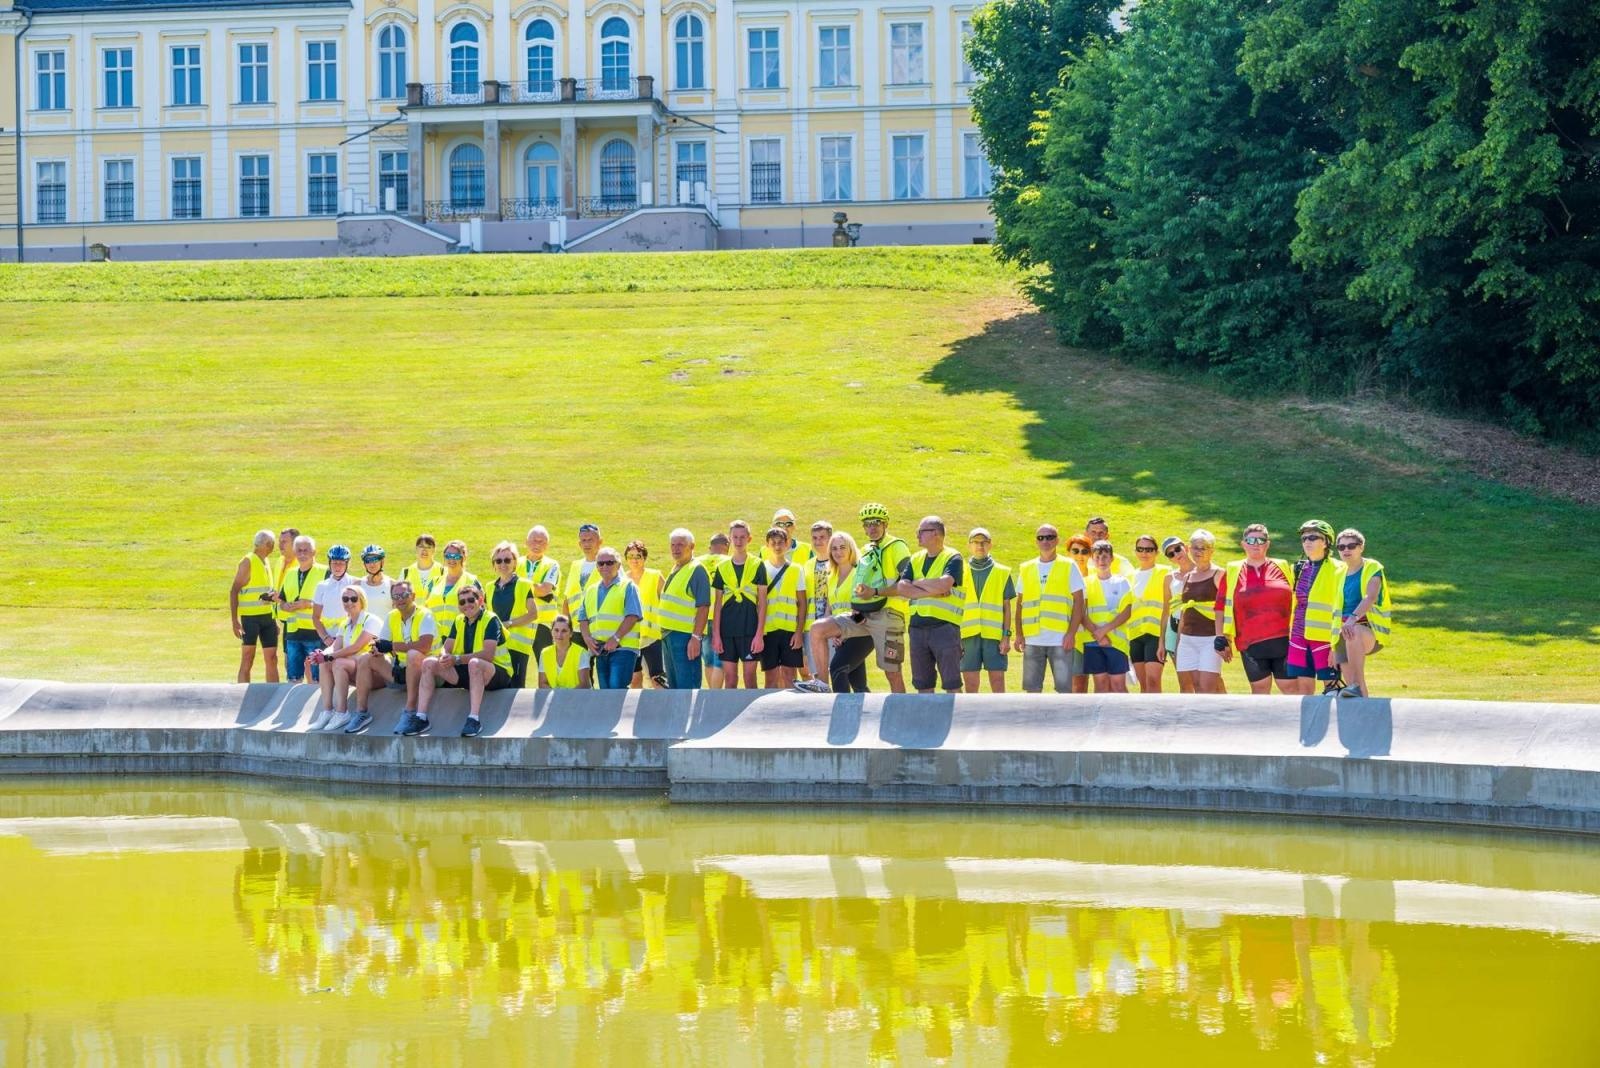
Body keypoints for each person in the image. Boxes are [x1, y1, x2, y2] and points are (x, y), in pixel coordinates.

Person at [794, 503, 910, 694]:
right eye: (867, 524)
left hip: (888, 616)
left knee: (892, 673)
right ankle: (822, 683)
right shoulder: (865, 551)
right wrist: (845, 627)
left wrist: (875, 592)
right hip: (862, 617)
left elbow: (907, 584)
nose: (872, 528)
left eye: (876, 523)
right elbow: (856, 594)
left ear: (886, 523)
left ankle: (902, 715)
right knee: (818, 628)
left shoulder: (897, 546)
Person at [401, 584, 514, 738]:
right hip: (469, 669)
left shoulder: (491, 619)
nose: (466, 605)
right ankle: (421, 717)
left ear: (480, 600)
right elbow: (446, 647)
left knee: (474, 663)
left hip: (496, 672)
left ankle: (474, 719)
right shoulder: (459, 620)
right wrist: (444, 655)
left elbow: (488, 655)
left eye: (470, 600)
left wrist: (457, 659)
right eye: (462, 602)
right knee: (428, 663)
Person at [1216, 524, 1294, 695]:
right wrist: (1220, 637)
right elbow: (1220, 606)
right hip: (1249, 642)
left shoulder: (1283, 566)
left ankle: (1293, 723)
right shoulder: (1233, 570)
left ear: (1267, 544)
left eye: (1261, 540)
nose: (1256, 544)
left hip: (1283, 640)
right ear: (1243, 543)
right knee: (1260, 691)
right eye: (1251, 540)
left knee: (1290, 689)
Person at [351, 579, 436, 733]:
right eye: (395, 597)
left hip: (427, 673)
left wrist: (391, 646)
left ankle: (410, 711)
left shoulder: (425, 614)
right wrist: (377, 648)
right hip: (401, 670)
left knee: (413, 654)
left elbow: (425, 646)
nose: (400, 599)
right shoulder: (392, 616)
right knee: (365, 658)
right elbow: (384, 643)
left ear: (413, 596)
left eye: (404, 595)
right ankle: (361, 712)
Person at [1013, 523, 1086, 695]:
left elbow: (1079, 602)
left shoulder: (1069, 566)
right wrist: (1019, 634)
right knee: (1032, 690)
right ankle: (1034, 722)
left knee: (1064, 690)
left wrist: (1071, 633)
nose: (1045, 541)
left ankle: (1065, 721)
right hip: (1032, 639)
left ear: (1057, 540)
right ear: (1036, 542)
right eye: (1041, 537)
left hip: (1060, 640)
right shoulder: (1026, 567)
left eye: (1050, 537)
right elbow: (1020, 604)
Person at [896, 516, 965, 694]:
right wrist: (932, 589)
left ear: (935, 533)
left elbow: (945, 584)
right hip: (917, 629)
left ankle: (956, 720)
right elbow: (901, 587)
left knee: (952, 683)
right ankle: (927, 721)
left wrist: (917, 583)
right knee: (922, 683)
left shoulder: (953, 557)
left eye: (921, 532)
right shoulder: (916, 558)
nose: (917, 535)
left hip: (944, 629)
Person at [1286, 519, 1348, 695]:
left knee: (1332, 689)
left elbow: (1342, 609)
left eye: (1313, 537)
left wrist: (1336, 647)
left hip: (1325, 639)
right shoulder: (1298, 568)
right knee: (1304, 691)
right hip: (1299, 637)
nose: (1307, 542)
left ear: (1326, 542)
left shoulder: (1340, 569)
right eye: (1304, 538)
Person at [307, 585, 381, 732]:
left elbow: (356, 648)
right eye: (345, 599)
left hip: (373, 673)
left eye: (353, 598)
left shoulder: (371, 620)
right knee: (325, 664)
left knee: (338, 663)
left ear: (362, 601)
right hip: (354, 669)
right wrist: (321, 654)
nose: (349, 602)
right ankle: (327, 710)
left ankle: (342, 712)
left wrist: (328, 656)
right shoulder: (345, 623)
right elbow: (335, 647)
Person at [1333, 528, 1391, 698]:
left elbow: (1370, 597)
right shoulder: (1339, 573)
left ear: (1361, 547)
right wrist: (1332, 644)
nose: (1346, 550)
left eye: (1351, 546)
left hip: (1366, 629)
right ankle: (1362, 718)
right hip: (1341, 633)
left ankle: (1357, 685)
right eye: (1341, 547)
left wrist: (1352, 619)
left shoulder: (1372, 567)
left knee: (1354, 632)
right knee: (1351, 689)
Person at [711, 521, 768, 689]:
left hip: (750, 629)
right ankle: (729, 713)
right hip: (727, 631)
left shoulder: (757, 564)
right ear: (730, 539)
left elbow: (763, 602)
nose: (738, 541)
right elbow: (718, 604)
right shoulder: (722, 567)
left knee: (750, 677)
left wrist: (759, 635)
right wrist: (716, 635)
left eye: (742, 537)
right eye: (735, 537)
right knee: (730, 678)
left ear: (749, 539)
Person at [578, 548, 644, 689]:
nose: (605, 566)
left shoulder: (628, 586)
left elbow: (632, 616)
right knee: (605, 691)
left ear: (618, 565)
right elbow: (582, 618)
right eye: (600, 563)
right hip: (601, 649)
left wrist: (616, 638)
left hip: (623, 649)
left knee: (616, 688)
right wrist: (587, 639)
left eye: (609, 563)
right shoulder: (591, 590)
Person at [815, 532, 874, 692]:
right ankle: (868, 715)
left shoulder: (860, 573)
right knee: (858, 684)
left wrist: (841, 631)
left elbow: (861, 610)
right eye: (834, 548)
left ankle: (839, 713)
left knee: (837, 669)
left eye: (842, 547)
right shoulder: (830, 576)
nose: (838, 552)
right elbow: (829, 606)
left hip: (861, 632)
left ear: (851, 549)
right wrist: (832, 632)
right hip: (840, 633)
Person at [959, 528, 1014, 693]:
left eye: (983, 542)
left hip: (994, 637)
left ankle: (999, 716)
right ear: (969, 546)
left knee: (997, 683)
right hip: (967, 636)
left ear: (990, 545)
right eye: (975, 542)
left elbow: (1007, 608)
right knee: (971, 684)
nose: (979, 546)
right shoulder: (959, 571)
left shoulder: (1002, 572)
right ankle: (971, 717)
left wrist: (1006, 637)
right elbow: (954, 606)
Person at [658, 529, 711, 689]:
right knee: (674, 687)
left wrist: (696, 637)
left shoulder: (697, 570)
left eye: (680, 544)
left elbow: (703, 607)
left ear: (692, 546)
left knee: (687, 687)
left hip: (685, 638)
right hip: (668, 637)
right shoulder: (676, 568)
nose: (676, 549)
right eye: (673, 545)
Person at [1079, 540, 1134, 693]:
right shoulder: (1086, 583)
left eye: (1105, 557)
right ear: (1092, 560)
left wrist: (1104, 631)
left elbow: (1127, 611)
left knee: (1118, 685)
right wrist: (1098, 635)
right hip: (1092, 641)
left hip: (1116, 642)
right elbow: (1081, 612)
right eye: (1097, 557)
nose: (1101, 561)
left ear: (1111, 559)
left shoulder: (1122, 582)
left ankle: (1125, 716)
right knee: (1100, 685)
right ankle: (1101, 717)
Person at [1175, 530, 1226, 694]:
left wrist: (1224, 638)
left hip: (1210, 638)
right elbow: (1184, 610)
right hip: (1188, 638)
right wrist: (1178, 640)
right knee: (1195, 685)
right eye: (1195, 548)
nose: (1198, 552)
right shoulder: (1187, 576)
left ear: (1211, 551)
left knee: (1208, 686)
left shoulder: (1219, 574)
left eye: (1203, 548)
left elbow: (1224, 609)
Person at [759, 526, 808, 688]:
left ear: (787, 544)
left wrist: (799, 632)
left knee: (789, 676)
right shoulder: (761, 568)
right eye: (773, 543)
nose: (777, 546)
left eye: (781, 542)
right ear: (767, 545)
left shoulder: (796, 569)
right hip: (768, 630)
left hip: (790, 630)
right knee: (771, 677)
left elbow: (802, 603)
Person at [229, 530, 281, 683]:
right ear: (267, 545)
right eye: (272, 544)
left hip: (268, 617)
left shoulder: (266, 561)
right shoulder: (248, 561)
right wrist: (234, 621)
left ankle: (273, 694)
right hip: (250, 619)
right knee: (247, 658)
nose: (273, 547)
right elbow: (234, 590)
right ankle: (242, 692)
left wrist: (275, 618)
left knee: (272, 658)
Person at [487, 540, 539, 688]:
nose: (503, 564)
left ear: (515, 562)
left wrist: (509, 624)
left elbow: (533, 614)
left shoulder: (524, 584)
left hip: (517, 646)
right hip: (497, 647)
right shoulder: (489, 587)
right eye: (498, 560)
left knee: (516, 689)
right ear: (494, 564)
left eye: (507, 560)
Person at [276, 535, 326, 684]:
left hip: (316, 632)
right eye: (299, 550)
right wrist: (285, 606)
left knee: (319, 679)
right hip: (293, 633)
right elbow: (282, 600)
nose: (303, 554)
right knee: (293, 679)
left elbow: (332, 601)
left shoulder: (325, 572)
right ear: (295, 552)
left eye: (306, 550)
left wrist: (309, 604)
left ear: (314, 552)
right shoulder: (291, 573)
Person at [1125, 534, 1171, 693]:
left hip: (1156, 633)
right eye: (1140, 549)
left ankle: (1157, 716)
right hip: (1135, 635)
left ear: (1156, 552)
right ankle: (1144, 717)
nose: (1144, 553)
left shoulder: (1166, 572)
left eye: (1149, 549)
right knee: (1143, 684)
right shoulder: (1130, 576)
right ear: (1136, 551)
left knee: (1153, 681)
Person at [623, 540, 668, 689]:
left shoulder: (655, 576)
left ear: (644, 558)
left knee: (658, 678)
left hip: (653, 636)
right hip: (631, 638)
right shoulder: (622, 579)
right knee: (634, 679)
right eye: (630, 556)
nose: (634, 560)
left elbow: (667, 602)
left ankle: (662, 708)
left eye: (638, 556)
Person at [423, 539, 479, 637]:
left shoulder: (471, 581)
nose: (451, 560)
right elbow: (425, 608)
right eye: (448, 556)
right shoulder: (435, 581)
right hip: (435, 637)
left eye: (456, 556)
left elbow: (480, 610)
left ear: (463, 558)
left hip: (461, 636)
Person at [521, 525, 562, 656]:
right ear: (526, 542)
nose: (537, 544)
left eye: (541, 541)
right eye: (534, 540)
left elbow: (544, 590)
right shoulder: (516, 562)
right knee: (517, 665)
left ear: (547, 545)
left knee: (545, 665)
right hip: (521, 621)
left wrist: (519, 587)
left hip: (544, 623)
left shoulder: (552, 565)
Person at [698, 532, 731, 688]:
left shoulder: (698, 562)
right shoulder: (730, 561)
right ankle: (715, 695)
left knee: (708, 660)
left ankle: (711, 692)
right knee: (720, 661)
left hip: (701, 617)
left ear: (710, 547)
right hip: (723, 617)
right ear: (727, 546)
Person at [1161, 537, 1195, 691]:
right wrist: (1161, 641)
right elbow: (1166, 611)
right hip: (1174, 630)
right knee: (1184, 681)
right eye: (1171, 554)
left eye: (1177, 549)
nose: (1176, 554)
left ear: (1186, 547)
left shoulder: (1202, 570)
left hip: (1199, 628)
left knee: (1209, 679)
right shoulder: (1169, 578)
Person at [803, 520, 835, 680]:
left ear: (830, 538)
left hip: (835, 624)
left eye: (822, 537)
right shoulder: (807, 565)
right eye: (814, 538)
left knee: (836, 670)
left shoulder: (838, 561)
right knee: (816, 673)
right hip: (812, 626)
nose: (818, 541)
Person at [1063, 535, 1096, 693]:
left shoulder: (1097, 575)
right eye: (1075, 551)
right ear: (1068, 553)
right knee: (1075, 682)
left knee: (1096, 681)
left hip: (1093, 635)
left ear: (1090, 554)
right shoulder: (1062, 574)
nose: (1080, 555)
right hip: (1070, 635)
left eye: (1084, 551)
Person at [311, 545, 356, 651]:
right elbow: (315, 617)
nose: (338, 567)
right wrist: (325, 637)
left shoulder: (355, 583)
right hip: (328, 638)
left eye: (341, 563)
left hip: (348, 638)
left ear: (347, 564)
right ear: (329, 563)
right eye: (334, 563)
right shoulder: (321, 586)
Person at [561, 522, 608, 621]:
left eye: (591, 540)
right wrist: (565, 625)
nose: (587, 544)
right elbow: (567, 599)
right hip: (576, 628)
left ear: (600, 542)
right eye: (583, 540)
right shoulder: (575, 566)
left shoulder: (609, 564)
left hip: (598, 628)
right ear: (579, 544)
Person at [538, 615, 592, 689]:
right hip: (555, 698)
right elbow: (542, 683)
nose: (559, 635)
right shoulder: (544, 653)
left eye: (564, 631)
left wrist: (565, 697)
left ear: (571, 633)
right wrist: (556, 697)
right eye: (556, 630)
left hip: (578, 698)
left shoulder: (581, 652)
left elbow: (585, 684)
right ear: (551, 632)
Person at [357, 544, 394, 619]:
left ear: (382, 562)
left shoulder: (392, 584)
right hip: (365, 630)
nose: (371, 564)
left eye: (375, 559)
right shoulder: (358, 585)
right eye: (367, 561)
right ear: (364, 564)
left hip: (386, 630)